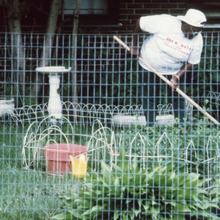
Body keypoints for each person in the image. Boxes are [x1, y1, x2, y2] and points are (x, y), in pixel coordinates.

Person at [131, 9, 207, 126]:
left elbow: (191, 62)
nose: (196, 34)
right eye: (194, 31)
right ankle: (150, 128)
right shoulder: (166, 22)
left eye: (198, 32)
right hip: (149, 65)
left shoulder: (198, 39)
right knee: (151, 96)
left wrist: (176, 77)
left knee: (178, 98)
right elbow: (139, 22)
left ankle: (181, 128)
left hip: (174, 70)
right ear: (186, 24)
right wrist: (134, 45)